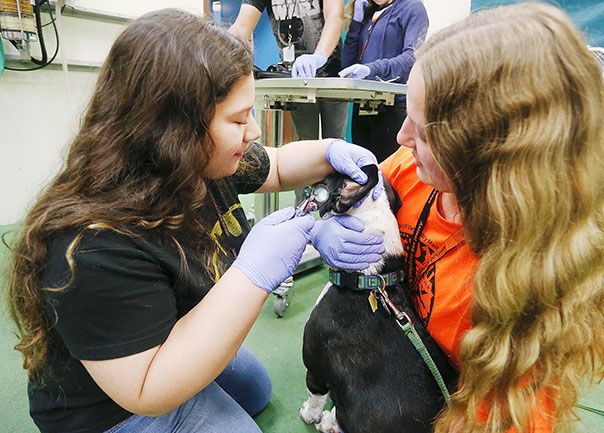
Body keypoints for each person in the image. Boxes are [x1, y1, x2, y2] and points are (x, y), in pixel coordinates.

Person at [6, 9, 383, 433]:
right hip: (119, 400)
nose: (255, 132)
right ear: (177, 129)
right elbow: (147, 390)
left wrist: (330, 150)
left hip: (169, 331)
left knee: (255, 389)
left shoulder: (198, 164)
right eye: (239, 120)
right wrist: (254, 273)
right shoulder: (92, 244)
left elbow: (276, 166)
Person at [313, 3, 604, 432]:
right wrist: (324, 224)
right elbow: (355, 191)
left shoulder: (529, 286)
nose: (402, 137)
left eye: (423, 132)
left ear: (483, 157)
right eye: (407, 115)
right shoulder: (413, 168)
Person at [229, 0, 349, 142]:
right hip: (296, 79)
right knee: (305, 141)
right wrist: (222, 51)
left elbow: (335, 15)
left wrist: (319, 56)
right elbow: (241, 27)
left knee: (335, 140)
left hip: (330, 74)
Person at [338, 0, 428, 163]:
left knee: (387, 173)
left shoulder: (412, 8)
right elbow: (348, 65)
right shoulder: (369, 11)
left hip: (391, 106)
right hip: (362, 105)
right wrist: (355, 25)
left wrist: (373, 69)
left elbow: (412, 57)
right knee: (363, 172)